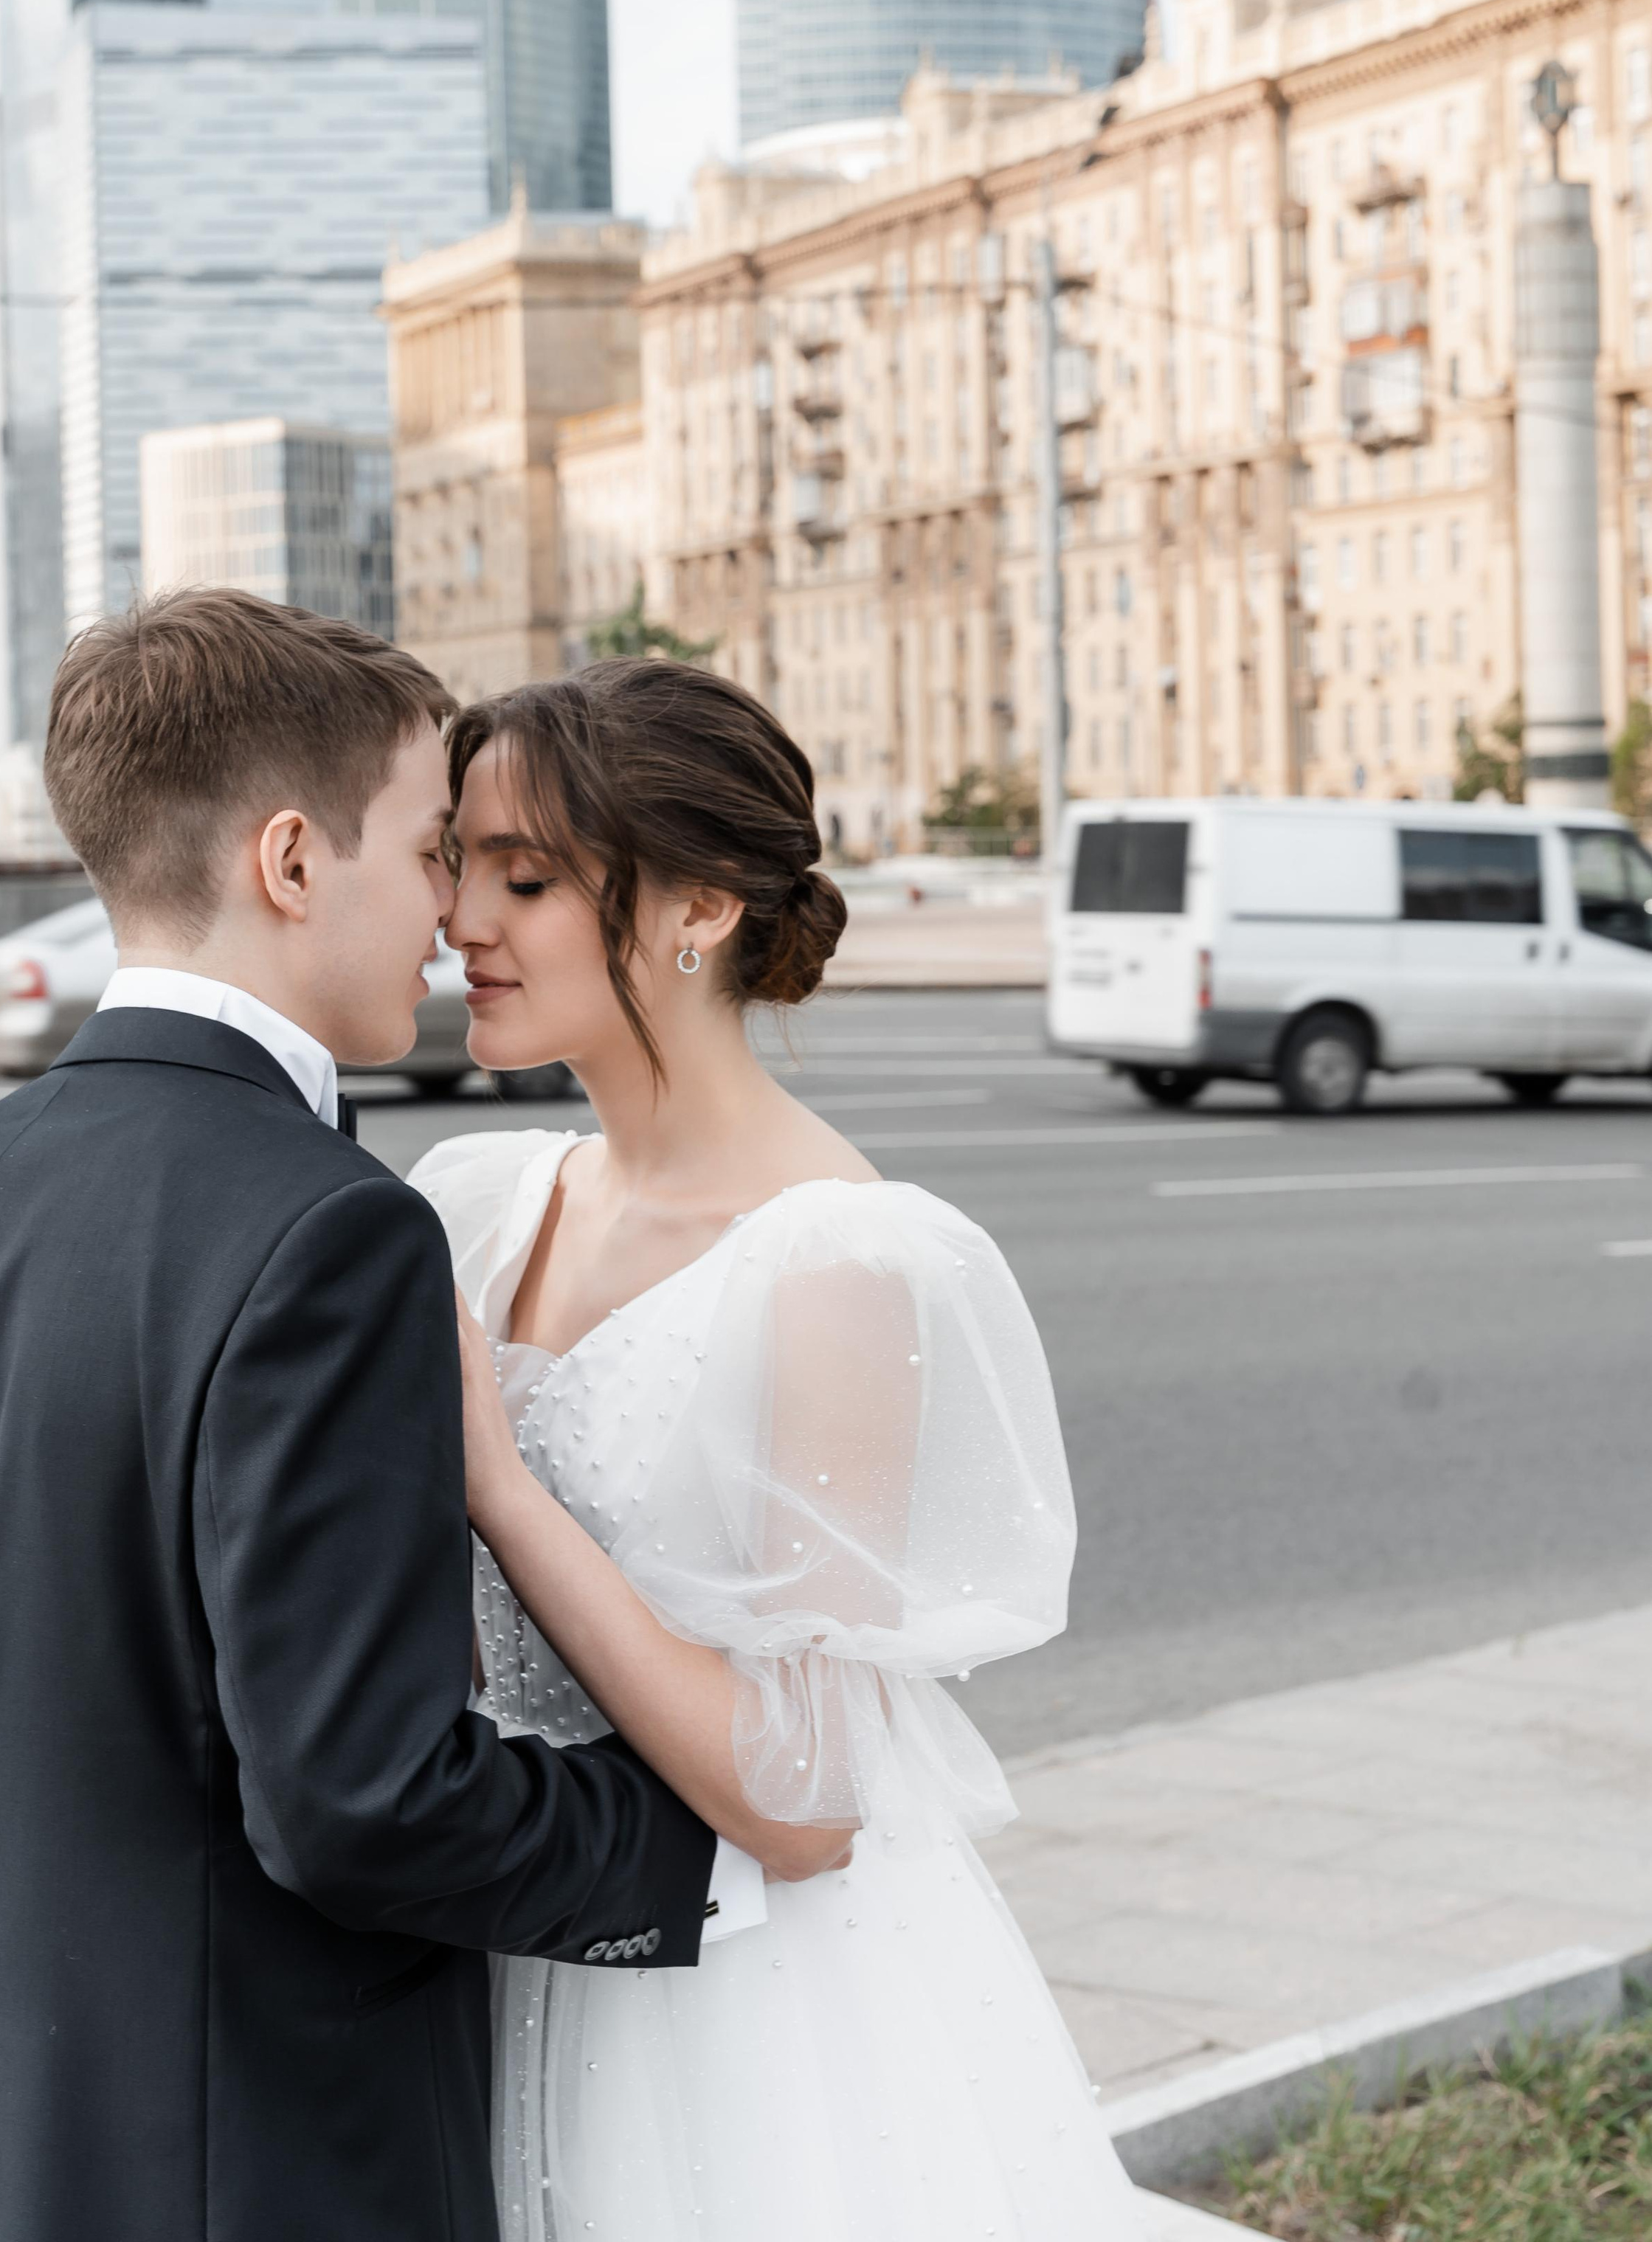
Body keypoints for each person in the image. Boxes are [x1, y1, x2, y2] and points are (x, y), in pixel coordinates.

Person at [0, 594, 847, 2242]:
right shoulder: (330, 1228)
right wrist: (704, 1849)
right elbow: (363, 1802)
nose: (452, 910)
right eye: (434, 850)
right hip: (250, 2159)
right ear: (293, 862)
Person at [410, 655, 1149, 2241]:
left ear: (700, 907)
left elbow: (808, 1801)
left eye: (523, 879)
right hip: (500, 1938)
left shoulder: (836, 1260)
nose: (458, 920)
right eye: (454, 866)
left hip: (735, 2008)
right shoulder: (478, 1203)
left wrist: (499, 1490)